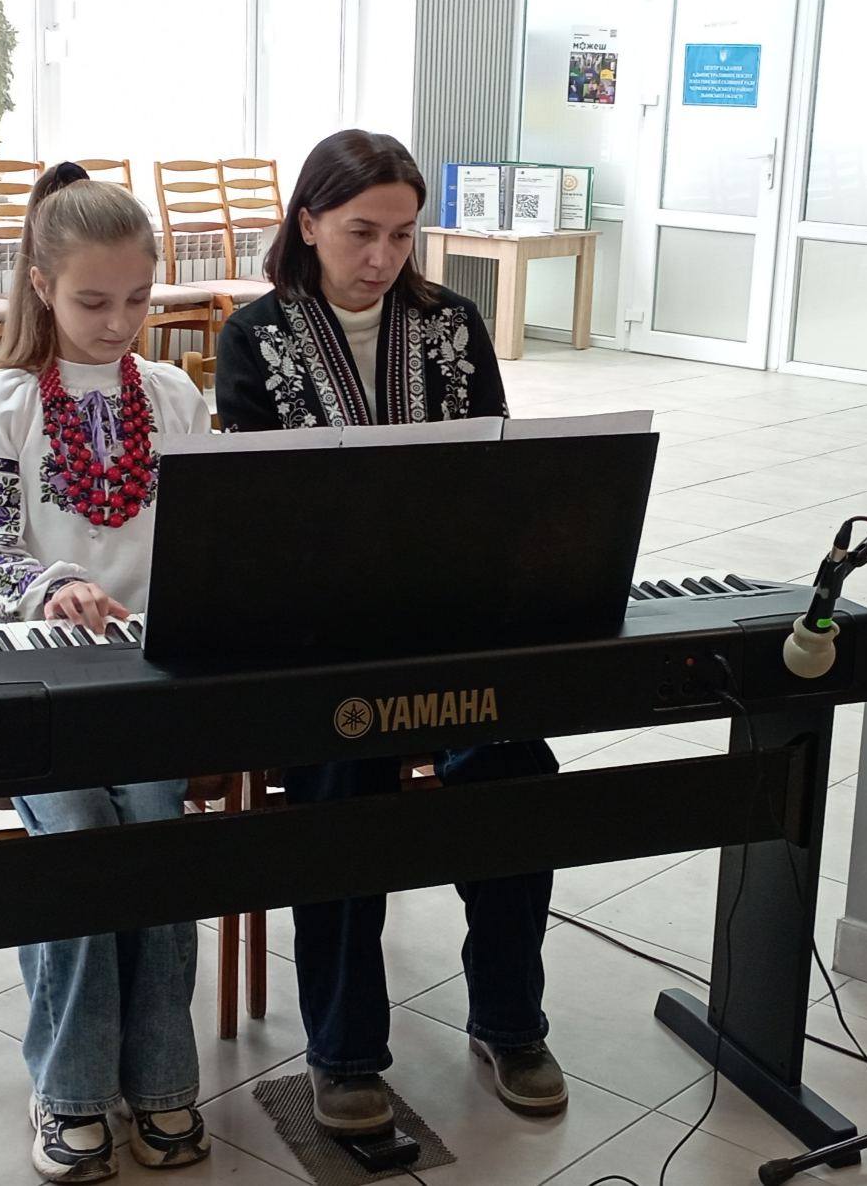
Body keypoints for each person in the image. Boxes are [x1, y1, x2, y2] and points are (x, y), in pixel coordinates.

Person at [215, 129, 568, 1133]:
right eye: (360, 232)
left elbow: (497, 476)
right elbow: (251, 516)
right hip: (317, 637)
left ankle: (510, 1021)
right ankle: (343, 1051)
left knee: (514, 767)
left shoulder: (451, 323)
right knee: (339, 784)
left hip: (447, 621)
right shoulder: (256, 336)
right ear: (308, 223)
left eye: (402, 235)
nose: (381, 256)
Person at [0, 162, 211, 1180]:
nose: (119, 322)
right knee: (82, 836)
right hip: (32, 677)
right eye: (94, 301)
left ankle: (161, 1075)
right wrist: (51, 583)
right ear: (42, 285)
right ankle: (70, 1088)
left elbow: (210, 535)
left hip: (146, 674)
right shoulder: (2, 400)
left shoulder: (173, 395)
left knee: (154, 828)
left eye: (138, 298)